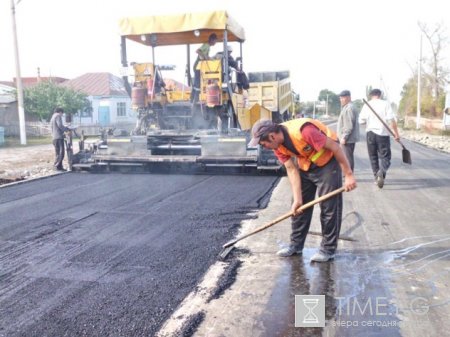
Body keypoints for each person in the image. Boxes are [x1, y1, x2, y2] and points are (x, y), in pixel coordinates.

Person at [248, 118, 357, 262]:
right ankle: (296, 245)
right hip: (306, 165)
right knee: (298, 206)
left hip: (327, 163)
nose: (265, 147)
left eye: (264, 144)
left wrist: (348, 175)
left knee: (329, 206)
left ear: (272, 136)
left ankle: (328, 249)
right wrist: (298, 198)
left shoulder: (305, 131)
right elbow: (291, 170)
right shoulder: (277, 147)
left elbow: (336, 148)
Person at [358, 88, 400, 188]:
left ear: (371, 95)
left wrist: (369, 122)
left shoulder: (367, 105)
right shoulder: (385, 104)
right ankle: (381, 172)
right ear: (380, 95)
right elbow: (391, 120)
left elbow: (361, 121)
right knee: (386, 157)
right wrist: (396, 134)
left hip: (370, 134)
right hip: (383, 134)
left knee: (373, 157)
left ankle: (376, 178)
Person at [191, 33, 218, 102]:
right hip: (198, 65)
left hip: (200, 66)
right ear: (212, 40)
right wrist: (204, 56)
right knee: (197, 83)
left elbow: (206, 56)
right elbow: (198, 51)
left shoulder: (208, 47)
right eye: (215, 41)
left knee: (198, 83)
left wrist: (211, 59)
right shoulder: (206, 45)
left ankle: (194, 98)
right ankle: (194, 99)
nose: (215, 43)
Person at [337, 90, 359, 172]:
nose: (341, 100)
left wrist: (344, 137)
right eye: (340, 98)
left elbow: (349, 125)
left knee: (347, 158)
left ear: (349, 97)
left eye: (343, 98)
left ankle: (348, 174)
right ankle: (348, 174)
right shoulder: (347, 107)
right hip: (348, 138)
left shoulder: (349, 108)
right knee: (347, 157)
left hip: (347, 139)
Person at [50, 107, 69, 171]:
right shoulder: (58, 116)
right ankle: (56, 166)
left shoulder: (52, 117)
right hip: (59, 137)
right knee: (61, 153)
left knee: (57, 153)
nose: (62, 115)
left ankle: (59, 167)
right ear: (60, 112)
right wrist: (66, 129)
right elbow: (60, 125)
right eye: (62, 113)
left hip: (54, 138)